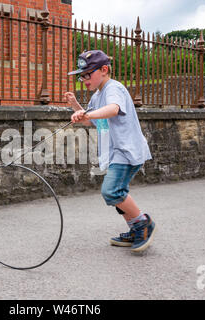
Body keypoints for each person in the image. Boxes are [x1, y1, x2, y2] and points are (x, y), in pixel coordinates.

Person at [64, 50, 156, 252]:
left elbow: (113, 109)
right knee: (118, 195)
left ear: (104, 70)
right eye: (81, 75)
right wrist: (76, 107)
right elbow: (90, 119)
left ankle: (143, 224)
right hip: (115, 152)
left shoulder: (114, 89)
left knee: (112, 191)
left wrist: (84, 112)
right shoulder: (97, 96)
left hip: (127, 150)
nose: (83, 79)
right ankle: (135, 230)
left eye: (87, 74)